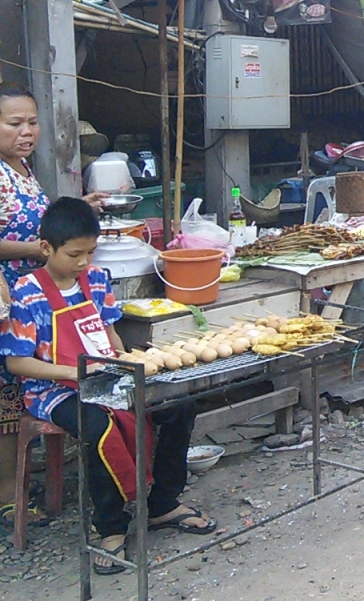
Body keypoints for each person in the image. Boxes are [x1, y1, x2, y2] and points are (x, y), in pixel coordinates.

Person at [0, 198, 213, 573]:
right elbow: (17, 362)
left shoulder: (97, 280)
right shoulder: (27, 292)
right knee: (99, 427)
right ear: (46, 248)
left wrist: (122, 361)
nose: (83, 262)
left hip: (105, 376)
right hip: (54, 391)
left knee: (178, 405)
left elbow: (109, 334)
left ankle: (163, 503)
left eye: (90, 253)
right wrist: (73, 373)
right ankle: (111, 527)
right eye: (74, 254)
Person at [0, 84, 106, 528]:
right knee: (7, 398)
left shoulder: (22, 169)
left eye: (32, 122)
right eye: (14, 123)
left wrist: (75, 213)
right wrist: (41, 249)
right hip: (8, 297)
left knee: (17, 395)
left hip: (39, 294)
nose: (27, 132)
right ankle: (9, 496)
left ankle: (21, 486)